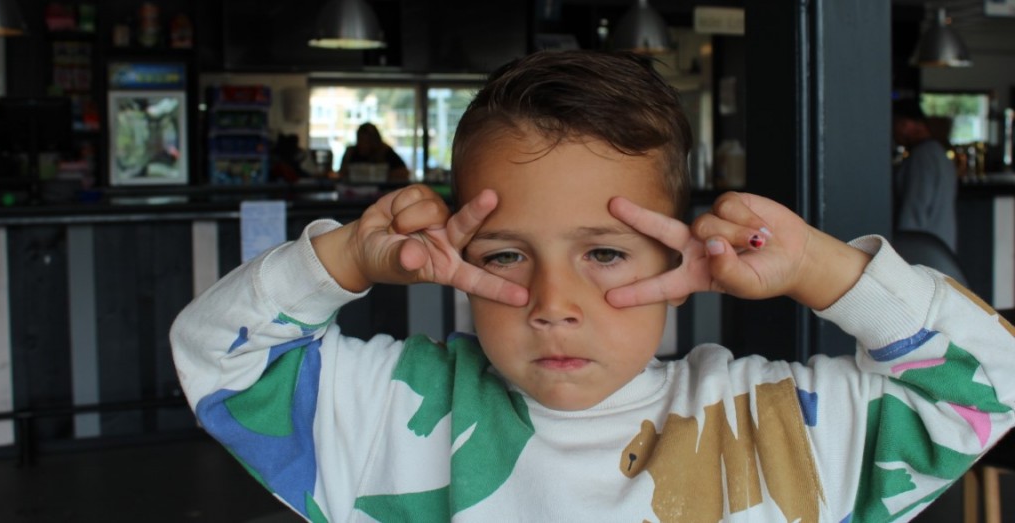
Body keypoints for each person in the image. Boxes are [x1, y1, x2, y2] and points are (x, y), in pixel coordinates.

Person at [171, 51, 1015, 522]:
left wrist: (820, 268)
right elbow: (220, 359)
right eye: (506, 255)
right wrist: (349, 256)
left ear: (679, 269)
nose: (553, 304)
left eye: (605, 253)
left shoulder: (770, 426)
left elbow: (994, 381)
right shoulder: (396, 410)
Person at [892, 98, 959, 251]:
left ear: (906, 124)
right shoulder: (938, 153)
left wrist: (903, 252)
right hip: (940, 247)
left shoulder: (922, 157)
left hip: (923, 251)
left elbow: (914, 211)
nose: (893, 133)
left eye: (895, 124)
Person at [339, 122, 410, 183]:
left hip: (383, 192)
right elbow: (341, 174)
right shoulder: (351, 152)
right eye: (362, 139)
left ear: (376, 139)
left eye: (368, 140)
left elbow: (404, 173)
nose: (365, 144)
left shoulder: (385, 151)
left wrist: (381, 174)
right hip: (354, 192)